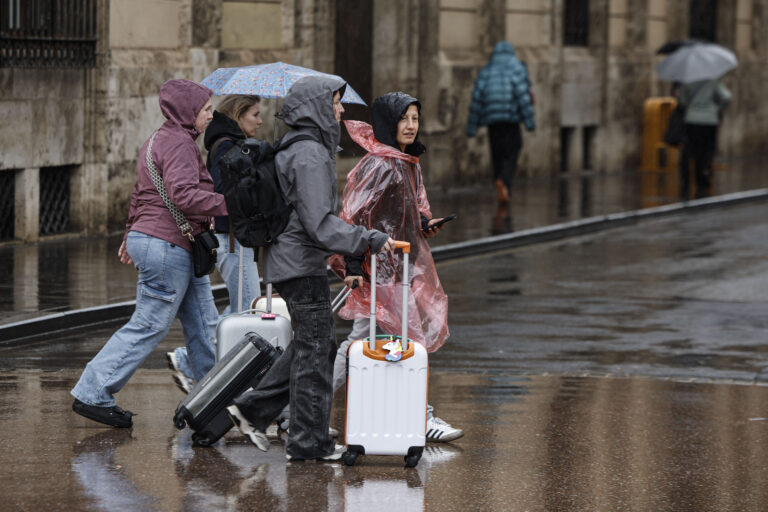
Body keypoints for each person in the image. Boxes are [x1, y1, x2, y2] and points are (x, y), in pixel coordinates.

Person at [225, 76, 394, 462]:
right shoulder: (310, 154)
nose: (340, 111)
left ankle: (253, 409)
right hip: (300, 261)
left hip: (289, 259)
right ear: (318, 106)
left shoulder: (295, 146)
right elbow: (320, 223)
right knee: (317, 351)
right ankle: (308, 442)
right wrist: (366, 239)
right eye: (336, 103)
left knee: (313, 345)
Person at [71, 79, 226, 427]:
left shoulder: (158, 139)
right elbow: (185, 195)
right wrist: (230, 204)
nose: (210, 115)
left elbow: (140, 194)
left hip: (164, 242)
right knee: (150, 324)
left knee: (203, 324)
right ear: (187, 111)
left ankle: (214, 397)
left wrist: (131, 234)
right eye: (205, 109)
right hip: (168, 246)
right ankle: (92, 391)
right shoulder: (180, 145)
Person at [327, 92, 463, 443]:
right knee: (409, 341)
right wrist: (357, 264)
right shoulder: (379, 164)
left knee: (362, 342)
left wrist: (424, 225)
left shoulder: (404, 161)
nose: (411, 126)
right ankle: (421, 417)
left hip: (396, 268)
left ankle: (303, 405)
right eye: (404, 118)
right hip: (381, 271)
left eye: (415, 118)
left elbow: (404, 215)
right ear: (389, 123)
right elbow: (354, 218)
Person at [166, 94, 264, 393]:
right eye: (255, 115)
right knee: (250, 311)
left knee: (242, 308)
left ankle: (191, 360)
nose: (260, 121)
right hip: (231, 239)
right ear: (239, 116)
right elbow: (224, 195)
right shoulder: (228, 147)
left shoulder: (230, 145)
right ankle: (186, 359)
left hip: (233, 238)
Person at [466, 41, 535, 204]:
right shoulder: (517, 69)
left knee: (497, 153)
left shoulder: (487, 71)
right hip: (511, 121)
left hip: (493, 122)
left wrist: (471, 126)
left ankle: (499, 179)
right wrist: (529, 122)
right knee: (512, 150)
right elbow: (523, 98)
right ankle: (505, 182)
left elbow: (476, 100)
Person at [677, 78, 731, 200]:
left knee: (694, 148)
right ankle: (705, 170)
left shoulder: (688, 80)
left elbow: (682, 102)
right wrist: (717, 108)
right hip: (710, 119)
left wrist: (691, 106)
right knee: (708, 148)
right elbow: (727, 97)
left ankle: (694, 178)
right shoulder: (713, 79)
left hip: (692, 119)